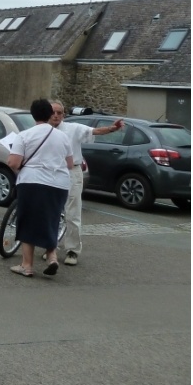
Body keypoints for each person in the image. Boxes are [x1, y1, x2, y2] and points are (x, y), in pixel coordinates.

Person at [49, 100, 124, 266]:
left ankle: (72, 250)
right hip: (50, 172)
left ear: (63, 115)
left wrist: (112, 128)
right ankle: (49, 247)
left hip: (71, 172)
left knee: (72, 212)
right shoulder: (43, 131)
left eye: (59, 113)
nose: (56, 116)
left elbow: (94, 130)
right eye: (52, 112)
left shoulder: (73, 128)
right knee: (50, 212)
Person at [7, 99, 74, 278]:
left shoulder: (25, 135)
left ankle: (27, 266)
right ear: (50, 114)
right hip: (59, 184)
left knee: (28, 221)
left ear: (33, 114)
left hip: (32, 182)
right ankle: (52, 257)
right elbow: (69, 164)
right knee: (51, 219)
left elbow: (13, 163)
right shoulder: (63, 137)